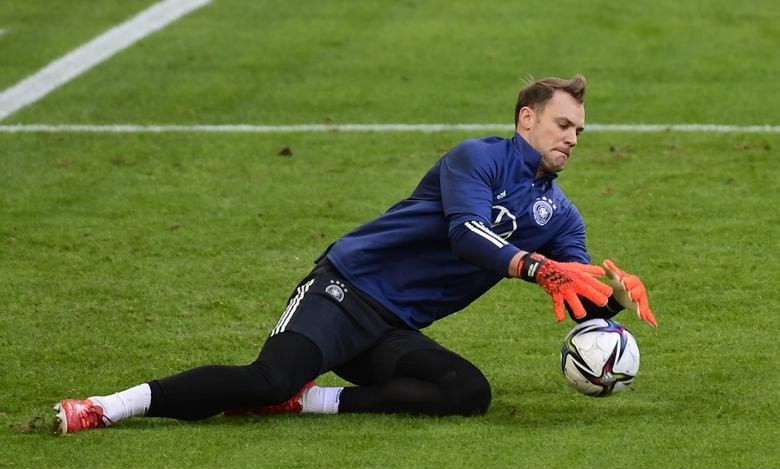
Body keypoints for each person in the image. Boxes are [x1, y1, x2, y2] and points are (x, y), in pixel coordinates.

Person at [54, 74, 657, 434]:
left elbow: (580, 303)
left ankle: (312, 401)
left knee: (465, 392)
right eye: (563, 124)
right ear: (527, 119)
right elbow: (466, 235)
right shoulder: (476, 158)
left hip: (391, 326)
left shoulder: (562, 215)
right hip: (344, 290)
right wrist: (533, 266)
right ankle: (108, 408)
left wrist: (615, 301)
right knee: (264, 378)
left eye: (579, 130)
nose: (573, 138)